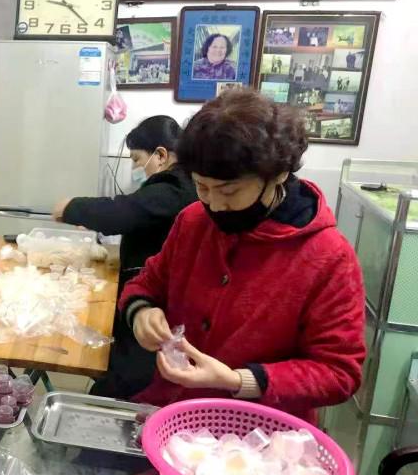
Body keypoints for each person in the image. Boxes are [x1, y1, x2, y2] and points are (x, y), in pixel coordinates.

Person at [120, 88, 365, 423]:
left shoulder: (329, 257)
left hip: (260, 437)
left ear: (277, 175)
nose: (215, 205)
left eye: (229, 191)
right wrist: (142, 312)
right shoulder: (193, 221)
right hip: (173, 414)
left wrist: (239, 381)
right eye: (202, 187)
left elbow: (339, 372)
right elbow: (146, 283)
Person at [52, 116, 197, 398]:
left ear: (161, 155)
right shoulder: (181, 184)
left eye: (136, 159)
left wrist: (71, 207)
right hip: (149, 296)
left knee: (124, 384)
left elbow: (124, 210)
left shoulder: (175, 188)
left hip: (159, 307)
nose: (135, 168)